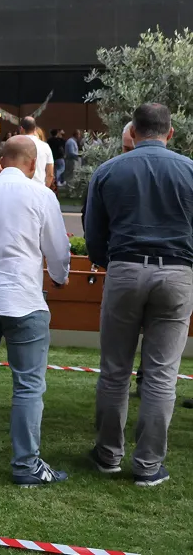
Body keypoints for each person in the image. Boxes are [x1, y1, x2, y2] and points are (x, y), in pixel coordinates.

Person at [83, 103, 193, 488]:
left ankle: (108, 453)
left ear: (132, 130)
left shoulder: (110, 170)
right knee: (162, 375)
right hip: (177, 272)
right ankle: (148, 464)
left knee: (114, 369)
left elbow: (94, 233)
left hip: (125, 269)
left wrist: (106, 259)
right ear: (170, 131)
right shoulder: (189, 171)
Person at [0, 136, 71, 486]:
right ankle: (26, 464)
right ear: (33, 162)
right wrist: (59, 277)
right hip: (23, 298)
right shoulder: (41, 196)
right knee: (28, 384)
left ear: (0, 158)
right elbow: (58, 249)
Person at [21, 116, 55, 189]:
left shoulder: (16, 144)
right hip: (39, 186)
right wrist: (45, 189)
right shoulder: (45, 146)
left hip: (21, 186)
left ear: (21, 129)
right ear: (35, 129)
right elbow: (50, 174)